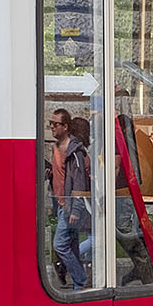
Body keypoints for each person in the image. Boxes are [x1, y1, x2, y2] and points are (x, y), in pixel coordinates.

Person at [47, 108, 91, 290]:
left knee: (59, 244)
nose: (52, 128)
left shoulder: (75, 152)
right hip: (61, 204)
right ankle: (78, 286)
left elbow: (79, 181)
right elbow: (61, 175)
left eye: (55, 124)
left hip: (70, 205)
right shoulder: (57, 148)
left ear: (66, 126)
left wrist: (76, 210)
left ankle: (80, 279)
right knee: (71, 245)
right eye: (50, 124)